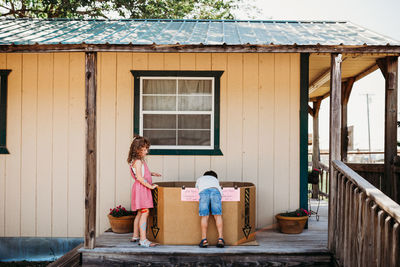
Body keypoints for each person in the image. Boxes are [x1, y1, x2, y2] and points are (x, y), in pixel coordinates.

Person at [127, 135, 161, 247]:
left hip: (140, 188)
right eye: (144, 149)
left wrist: (152, 173)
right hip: (142, 189)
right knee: (145, 213)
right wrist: (150, 187)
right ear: (137, 150)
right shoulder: (137, 162)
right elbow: (140, 177)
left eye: (147, 149)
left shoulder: (138, 161)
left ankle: (135, 235)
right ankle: (143, 240)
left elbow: (141, 173)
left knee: (140, 213)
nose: (147, 151)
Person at [195, 170, 225, 248]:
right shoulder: (215, 180)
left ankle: (204, 240)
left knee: (204, 216)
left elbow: (196, 189)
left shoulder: (200, 179)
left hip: (203, 191)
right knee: (218, 216)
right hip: (215, 191)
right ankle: (221, 239)